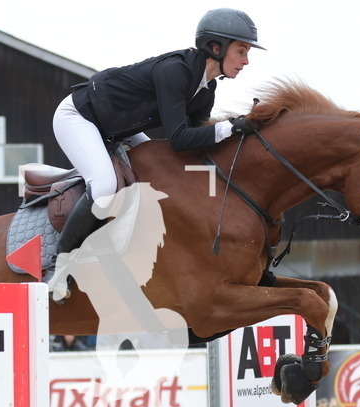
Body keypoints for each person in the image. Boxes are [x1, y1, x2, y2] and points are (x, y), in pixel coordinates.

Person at [50, 8, 263, 260]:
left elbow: (196, 141)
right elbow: (178, 139)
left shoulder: (207, 89)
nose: (246, 61)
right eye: (241, 51)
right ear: (216, 47)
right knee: (105, 186)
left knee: (158, 172)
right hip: (79, 116)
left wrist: (236, 134)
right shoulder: (175, 71)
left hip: (118, 128)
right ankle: (60, 259)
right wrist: (230, 127)